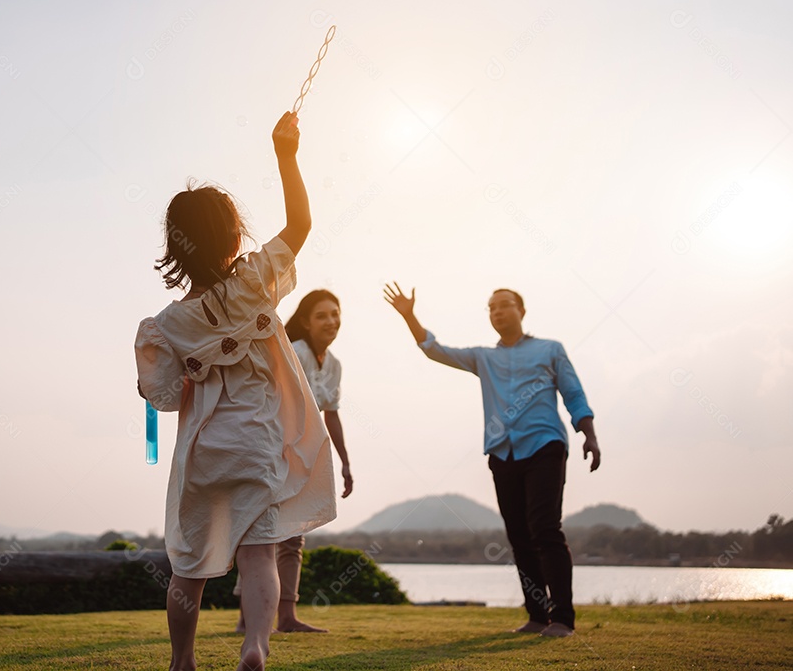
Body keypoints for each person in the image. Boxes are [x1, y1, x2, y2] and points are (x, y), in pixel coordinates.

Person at [135, 111, 337, 671]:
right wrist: (286, 155)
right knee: (259, 555)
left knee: (189, 565)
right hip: (257, 444)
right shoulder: (253, 283)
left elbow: (163, 398)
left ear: (176, 245)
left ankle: (182, 660)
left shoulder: (165, 325)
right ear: (232, 235)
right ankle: (255, 646)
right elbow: (301, 223)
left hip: (205, 454)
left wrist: (153, 380)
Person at [383, 283, 600, 638]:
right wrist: (410, 316)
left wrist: (587, 433)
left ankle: (562, 617)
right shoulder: (483, 357)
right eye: (491, 308)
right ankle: (537, 615)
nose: (497, 312)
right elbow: (435, 350)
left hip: (545, 444)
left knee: (545, 528)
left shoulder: (550, 349)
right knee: (519, 536)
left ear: (521, 310)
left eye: (504, 305)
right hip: (503, 452)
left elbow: (573, 392)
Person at [234, 289, 353, 634]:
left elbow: (331, 414)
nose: (331, 321)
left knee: (292, 534)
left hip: (302, 457)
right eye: (321, 315)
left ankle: (284, 616)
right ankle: (252, 618)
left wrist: (345, 463)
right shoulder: (294, 352)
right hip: (270, 451)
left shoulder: (334, 365)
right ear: (306, 321)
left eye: (335, 313)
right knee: (265, 536)